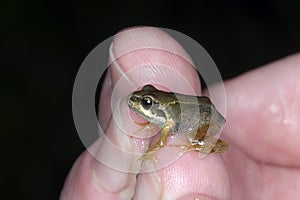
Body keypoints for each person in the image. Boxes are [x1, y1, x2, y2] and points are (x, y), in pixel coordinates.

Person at [60, 27, 300, 200]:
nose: (139, 104)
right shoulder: (162, 118)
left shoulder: (167, 121)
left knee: (187, 151)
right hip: (198, 109)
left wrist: (155, 150)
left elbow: (164, 137)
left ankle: (198, 143)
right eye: (145, 99)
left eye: (146, 102)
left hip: (207, 119)